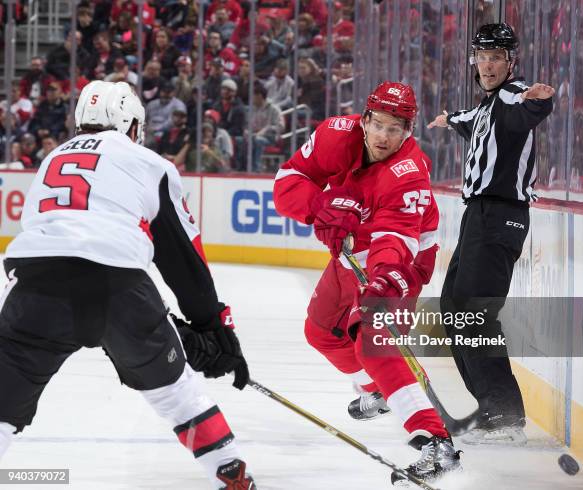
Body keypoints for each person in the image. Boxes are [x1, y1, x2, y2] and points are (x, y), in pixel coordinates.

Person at [0, 81, 256, 490]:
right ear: (129, 122)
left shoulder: (50, 159)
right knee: (178, 395)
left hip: (34, 286)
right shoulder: (148, 163)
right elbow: (182, 257)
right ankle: (231, 475)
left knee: (2, 407)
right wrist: (213, 326)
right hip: (118, 286)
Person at [273, 82, 462, 484]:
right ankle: (377, 389)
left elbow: (394, 238)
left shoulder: (409, 172)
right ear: (364, 119)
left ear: (408, 131)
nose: (383, 136)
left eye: (395, 128)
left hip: (403, 257)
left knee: (372, 337)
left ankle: (435, 440)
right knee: (320, 330)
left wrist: (384, 279)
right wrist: (319, 206)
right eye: (377, 124)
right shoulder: (335, 134)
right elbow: (289, 180)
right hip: (352, 250)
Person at [428, 23, 554, 445]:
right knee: (453, 308)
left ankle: (505, 416)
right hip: (477, 218)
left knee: (475, 313)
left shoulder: (513, 95)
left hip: (501, 218)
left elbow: (526, 110)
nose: (487, 64)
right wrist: (448, 120)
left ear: (510, 62)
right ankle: (492, 409)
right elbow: (468, 120)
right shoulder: (485, 108)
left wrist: (539, 102)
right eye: (482, 57)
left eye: (496, 57)